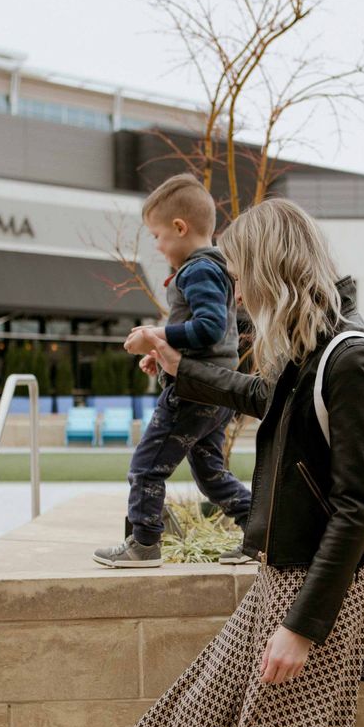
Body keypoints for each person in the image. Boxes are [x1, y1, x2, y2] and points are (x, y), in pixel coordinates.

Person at [47, 197, 364, 727]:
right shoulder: (310, 350)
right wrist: (178, 365)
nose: (234, 289)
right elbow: (258, 395)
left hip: (316, 597)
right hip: (278, 579)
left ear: (272, 266)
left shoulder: (353, 358)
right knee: (199, 714)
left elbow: (354, 504)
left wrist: (302, 628)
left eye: (241, 273)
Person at [93, 172, 253, 568]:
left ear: (180, 228)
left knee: (146, 467)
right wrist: (163, 349)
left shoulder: (197, 270)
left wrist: (154, 334)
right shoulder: (213, 269)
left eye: (158, 235)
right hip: (215, 392)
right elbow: (213, 336)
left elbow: (209, 328)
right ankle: (258, 533)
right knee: (211, 472)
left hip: (194, 391)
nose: (158, 245)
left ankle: (144, 545)